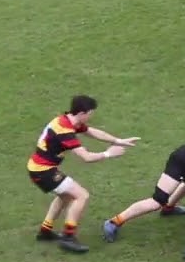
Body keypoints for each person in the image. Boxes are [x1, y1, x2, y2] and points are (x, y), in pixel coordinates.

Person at [27, 95, 138, 252]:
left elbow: (92, 132)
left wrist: (118, 140)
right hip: (43, 171)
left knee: (65, 196)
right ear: (81, 113)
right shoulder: (64, 130)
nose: (91, 116)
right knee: (81, 195)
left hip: (40, 167)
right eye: (90, 113)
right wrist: (109, 153)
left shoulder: (67, 120)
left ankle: (45, 231)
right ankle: (68, 237)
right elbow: (86, 158)